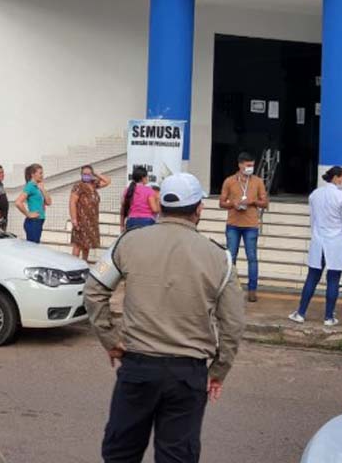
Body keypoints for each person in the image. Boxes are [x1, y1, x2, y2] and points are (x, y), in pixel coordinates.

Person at [84, 173, 245, 463]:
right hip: (189, 374)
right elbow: (233, 324)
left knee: (120, 453)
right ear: (199, 209)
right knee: (177, 457)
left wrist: (110, 339)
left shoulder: (128, 242)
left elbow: (94, 291)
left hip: (137, 367)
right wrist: (218, 371)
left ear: (159, 205)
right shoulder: (221, 258)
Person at [289, 167, 342, 326]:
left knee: (312, 278)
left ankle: (300, 313)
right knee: (333, 280)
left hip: (318, 240)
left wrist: (316, 235)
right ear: (336, 178)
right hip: (336, 242)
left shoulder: (315, 194)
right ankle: (329, 317)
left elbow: (313, 220)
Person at [219, 152, 269, 302]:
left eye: (252, 165)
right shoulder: (229, 181)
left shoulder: (258, 181)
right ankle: (230, 289)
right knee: (231, 257)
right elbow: (221, 203)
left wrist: (252, 201)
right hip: (233, 224)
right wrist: (232, 204)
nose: (250, 168)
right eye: (248, 165)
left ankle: (252, 290)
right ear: (240, 165)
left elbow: (265, 203)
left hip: (251, 225)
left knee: (252, 258)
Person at [70, 165, 111, 262]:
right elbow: (72, 202)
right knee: (78, 244)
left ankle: (84, 264)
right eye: (84, 174)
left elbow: (107, 181)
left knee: (87, 245)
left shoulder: (94, 184)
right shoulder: (78, 186)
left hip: (92, 220)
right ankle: (72, 266)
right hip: (81, 219)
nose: (86, 176)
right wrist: (74, 219)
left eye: (88, 174)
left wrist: (96, 174)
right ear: (81, 174)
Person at [15, 163, 51, 243]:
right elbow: (18, 202)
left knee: (35, 248)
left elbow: (49, 202)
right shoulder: (30, 186)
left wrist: (43, 189)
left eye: (42, 173)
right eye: (40, 173)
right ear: (33, 174)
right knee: (33, 250)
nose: (42, 175)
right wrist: (28, 214)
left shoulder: (38, 187)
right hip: (33, 222)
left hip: (39, 221)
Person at [120, 166, 160, 231]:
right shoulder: (149, 191)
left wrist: (122, 225)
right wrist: (158, 199)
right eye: (147, 176)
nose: (147, 178)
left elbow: (122, 210)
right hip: (147, 222)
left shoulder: (127, 190)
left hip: (131, 222)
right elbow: (154, 210)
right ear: (143, 178)